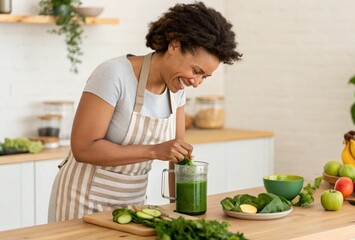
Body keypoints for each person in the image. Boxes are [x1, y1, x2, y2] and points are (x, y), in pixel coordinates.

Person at [48, 2, 242, 222]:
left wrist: (178, 212)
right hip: (82, 202)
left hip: (133, 208)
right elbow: (83, 147)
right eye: (196, 71)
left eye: (204, 77)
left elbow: (176, 157)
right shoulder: (114, 74)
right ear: (174, 45)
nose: (196, 82)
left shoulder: (177, 90)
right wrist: (153, 151)